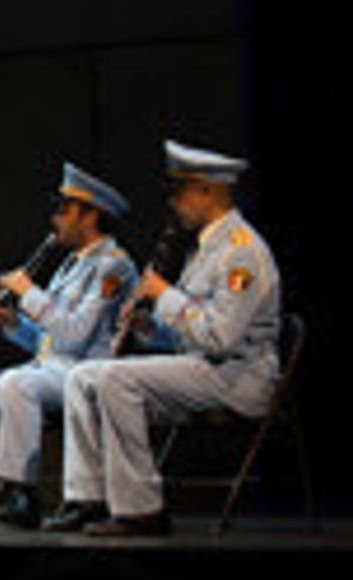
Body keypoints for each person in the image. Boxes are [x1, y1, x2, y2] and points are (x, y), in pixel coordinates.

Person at [46, 140, 280, 536]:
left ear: (208, 191)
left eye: (180, 192)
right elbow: (187, 338)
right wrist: (148, 330)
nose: (174, 203)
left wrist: (163, 295)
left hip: (238, 377)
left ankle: (141, 509)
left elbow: (221, 338)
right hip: (204, 367)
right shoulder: (206, 247)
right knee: (83, 375)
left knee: (115, 379)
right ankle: (87, 498)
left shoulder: (241, 252)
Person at [0, 163, 137, 527]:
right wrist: (12, 324)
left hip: (81, 374)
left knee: (17, 383)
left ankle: (22, 492)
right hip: (46, 369)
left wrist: (29, 293)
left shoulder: (114, 266)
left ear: (90, 216)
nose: (56, 220)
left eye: (64, 210)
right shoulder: (71, 263)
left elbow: (76, 335)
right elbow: (48, 339)